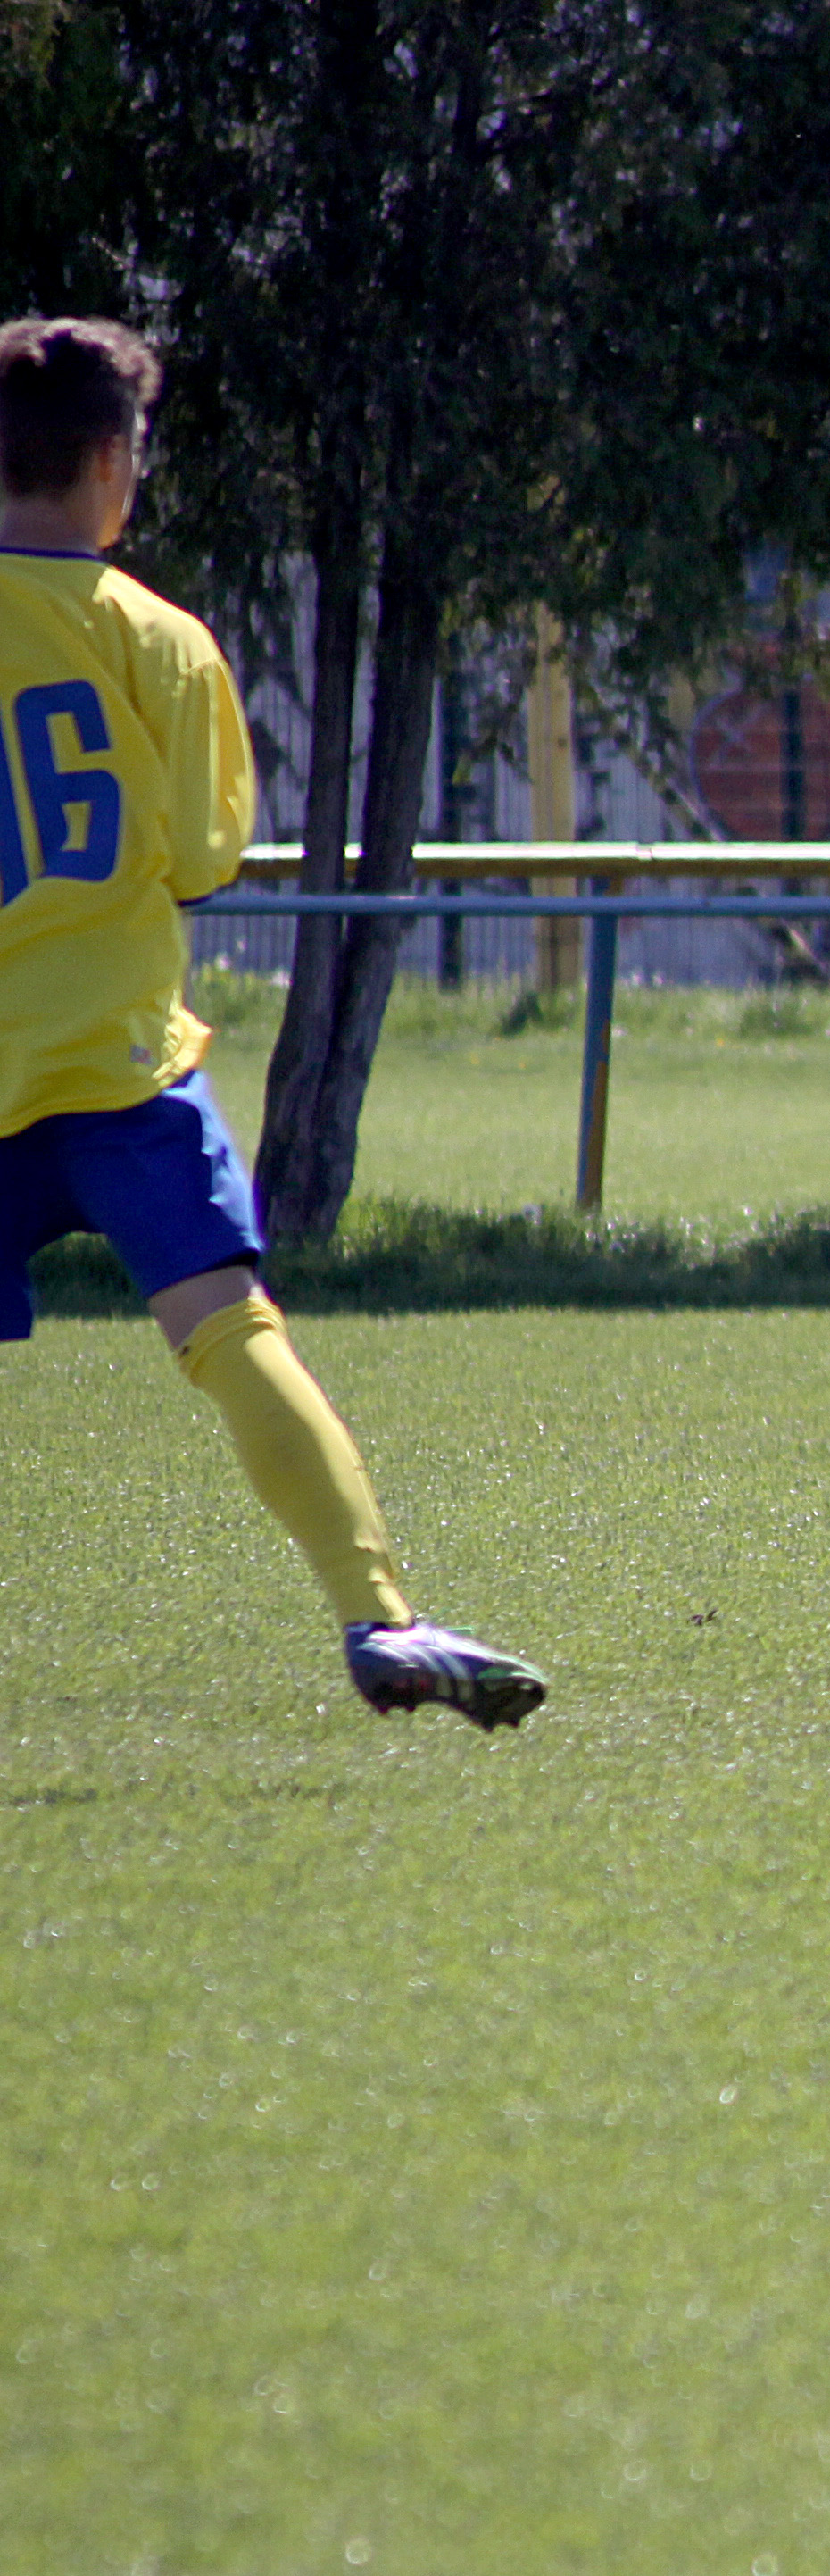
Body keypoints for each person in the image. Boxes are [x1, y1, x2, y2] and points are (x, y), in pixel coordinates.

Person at [0, 317, 544, 1725]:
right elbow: (203, 855)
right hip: (120, 1065)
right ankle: (380, 1619)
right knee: (232, 1333)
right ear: (110, 460)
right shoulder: (158, 642)